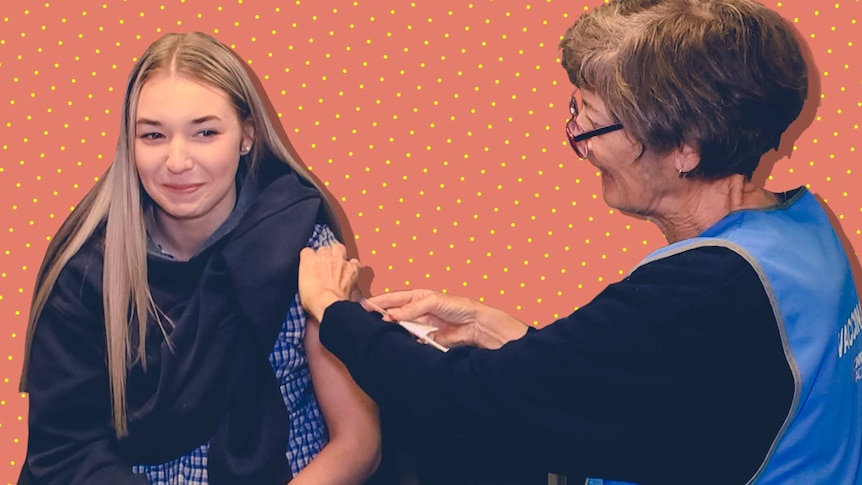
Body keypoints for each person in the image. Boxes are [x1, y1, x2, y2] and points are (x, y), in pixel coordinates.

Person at [296, 0, 862, 484]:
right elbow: (677, 385)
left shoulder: (700, 292)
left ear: (686, 149)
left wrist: (337, 311)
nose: (582, 146)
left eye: (590, 124)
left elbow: (460, 403)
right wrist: (510, 336)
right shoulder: (803, 229)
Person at [18, 32, 380, 485]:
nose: (176, 160)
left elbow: (358, 441)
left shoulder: (303, 245)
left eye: (205, 132)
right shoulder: (87, 267)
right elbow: (65, 449)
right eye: (153, 135)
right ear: (129, 144)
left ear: (246, 136)